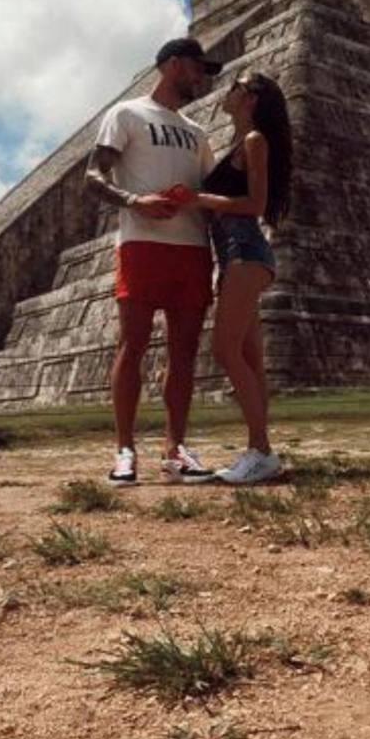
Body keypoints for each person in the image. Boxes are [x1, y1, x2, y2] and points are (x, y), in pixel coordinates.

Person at [84, 37, 222, 485]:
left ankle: (175, 447)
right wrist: (134, 200)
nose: (202, 77)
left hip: (193, 247)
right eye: (198, 68)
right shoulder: (127, 113)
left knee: (184, 354)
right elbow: (93, 173)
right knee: (133, 344)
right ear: (173, 65)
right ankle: (125, 449)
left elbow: (206, 189)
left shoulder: (198, 132)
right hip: (142, 242)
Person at [185, 71, 292, 485]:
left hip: (244, 252)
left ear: (250, 98)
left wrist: (199, 198)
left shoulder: (253, 141)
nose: (227, 91)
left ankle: (263, 451)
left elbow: (256, 203)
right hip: (235, 255)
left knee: (226, 351)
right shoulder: (240, 143)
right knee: (249, 361)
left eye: (235, 86)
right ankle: (256, 449)